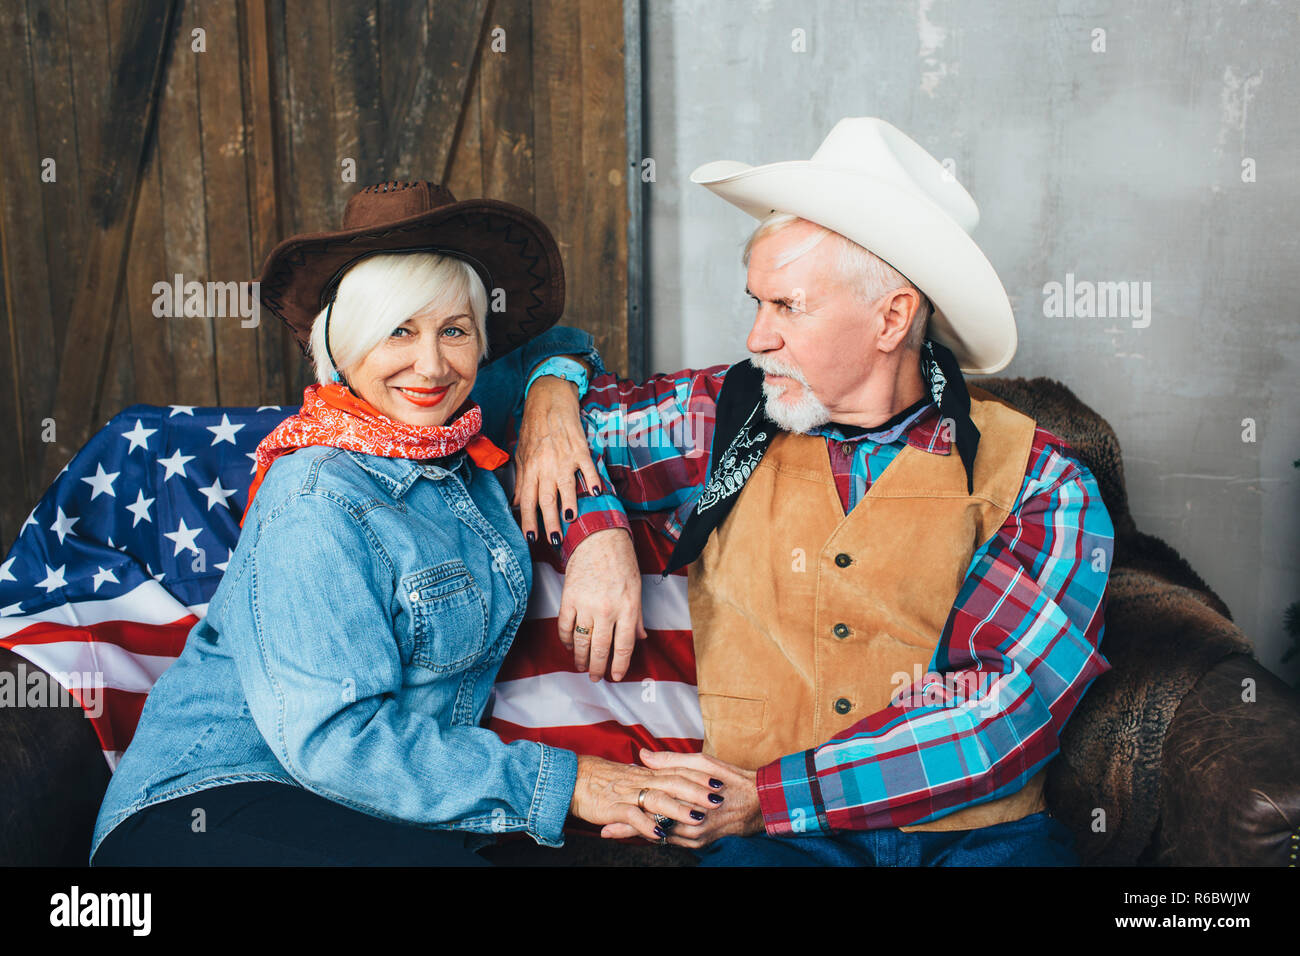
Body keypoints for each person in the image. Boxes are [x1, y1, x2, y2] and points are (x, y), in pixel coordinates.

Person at [510, 118, 1116, 866]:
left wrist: (772, 799)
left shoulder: (1039, 477)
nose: (756, 337)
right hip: (782, 852)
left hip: (976, 838)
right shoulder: (719, 421)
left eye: (787, 307)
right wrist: (593, 528)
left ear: (891, 317)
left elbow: (1002, 708)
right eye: (755, 302)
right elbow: (542, 423)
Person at [89, 181, 715, 866]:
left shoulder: (458, 441)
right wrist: (569, 782)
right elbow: (333, 741)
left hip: (376, 806)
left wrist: (593, 516)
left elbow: (556, 348)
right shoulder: (315, 494)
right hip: (217, 801)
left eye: (455, 330)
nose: (431, 365)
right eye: (398, 330)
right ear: (346, 343)